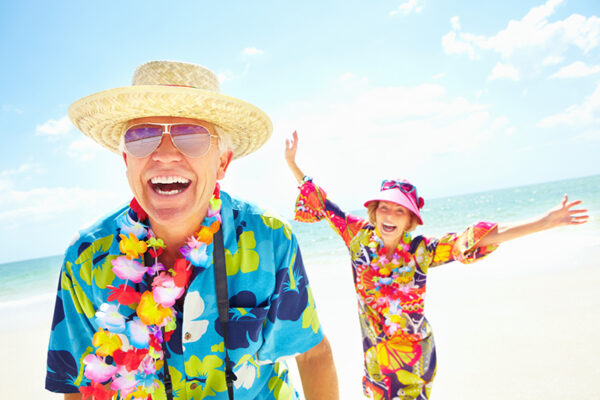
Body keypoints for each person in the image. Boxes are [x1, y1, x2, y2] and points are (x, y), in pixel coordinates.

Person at [45, 61, 339, 400]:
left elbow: (312, 354)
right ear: (127, 161)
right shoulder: (85, 257)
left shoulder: (269, 238)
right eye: (143, 136)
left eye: (191, 136)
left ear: (223, 163)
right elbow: (77, 385)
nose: (166, 155)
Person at [284, 131, 588, 400]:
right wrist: (294, 165)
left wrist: (546, 222)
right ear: (374, 212)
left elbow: (474, 239)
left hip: (415, 357)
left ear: (409, 221)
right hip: (375, 355)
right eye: (384, 208)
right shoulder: (357, 237)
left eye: (399, 212)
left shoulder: (423, 251)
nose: (389, 216)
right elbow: (322, 204)